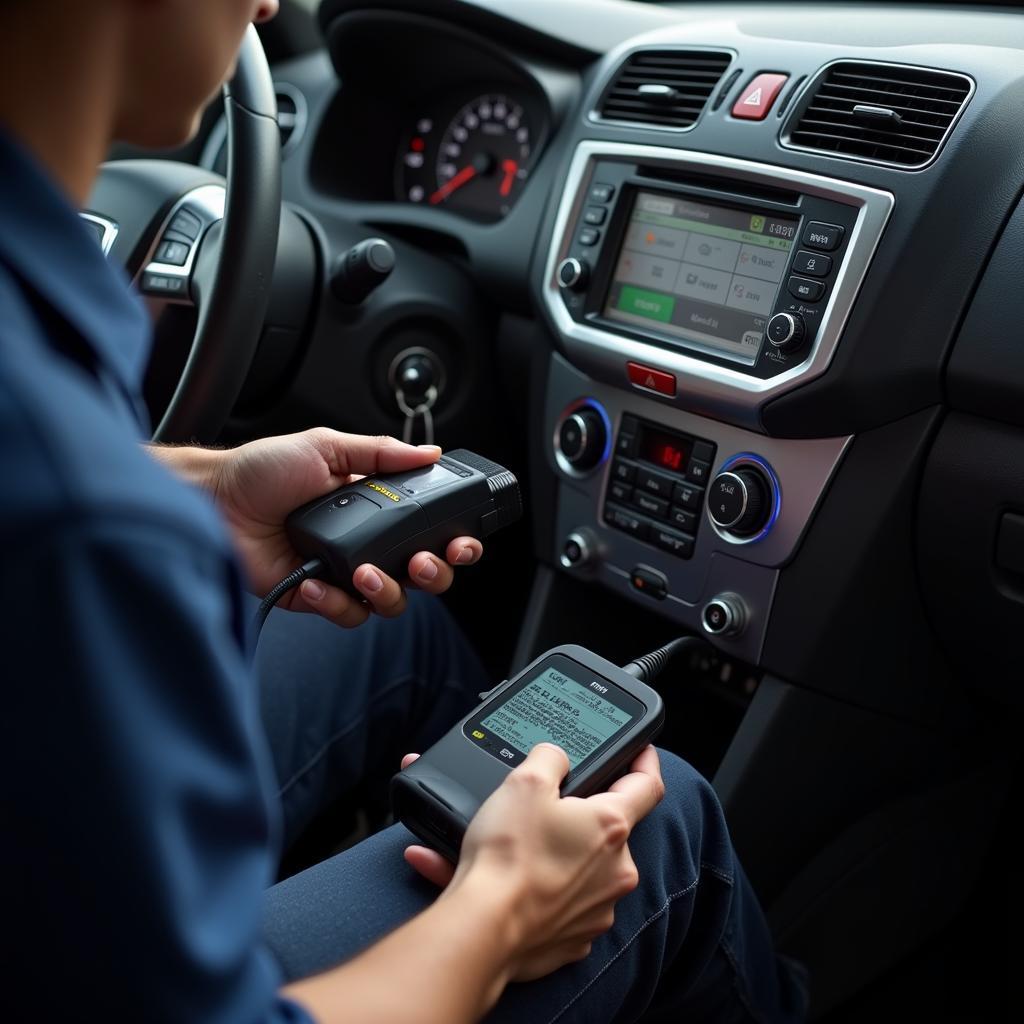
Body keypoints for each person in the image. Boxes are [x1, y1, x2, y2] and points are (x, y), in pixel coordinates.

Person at [0, 1, 806, 1021]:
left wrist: (198, 488)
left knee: (400, 634)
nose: (272, 4)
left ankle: (441, 816)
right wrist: (503, 909)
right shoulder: (77, 519)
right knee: (661, 823)